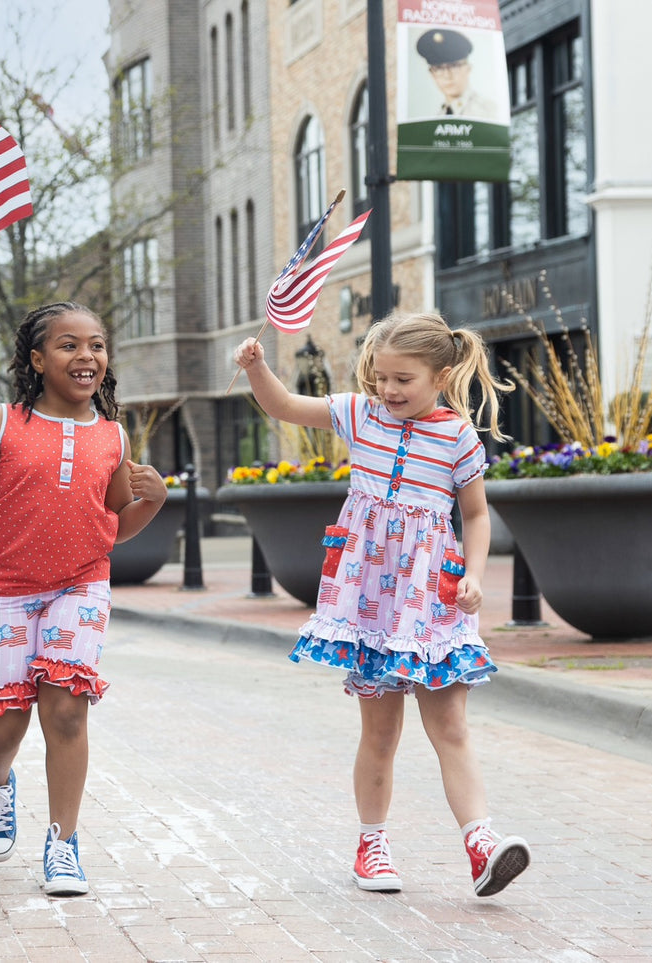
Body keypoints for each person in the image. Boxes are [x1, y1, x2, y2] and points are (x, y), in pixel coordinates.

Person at [232, 312, 531, 898]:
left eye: (403, 380)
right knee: (380, 732)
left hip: (432, 597)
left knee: (451, 725)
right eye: (380, 378)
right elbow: (287, 407)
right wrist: (257, 368)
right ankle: (372, 845)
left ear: (441, 376)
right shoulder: (359, 414)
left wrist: (474, 575)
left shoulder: (458, 438)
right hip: (369, 598)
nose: (389, 391)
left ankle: (482, 844)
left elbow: (474, 515)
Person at [0, 301, 168, 896]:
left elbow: (113, 525)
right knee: (2, 724)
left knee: (67, 708)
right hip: (5, 593)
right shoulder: (2, 423)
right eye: (69, 345)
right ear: (38, 360)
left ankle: (63, 843)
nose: (86, 355)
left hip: (80, 587)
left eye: (95, 344)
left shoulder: (113, 436)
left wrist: (155, 500)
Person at [416, 29, 502, 121]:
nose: (447, 75)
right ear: (432, 74)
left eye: (454, 66)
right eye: (439, 68)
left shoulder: (490, 112)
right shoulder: (437, 118)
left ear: (468, 68)